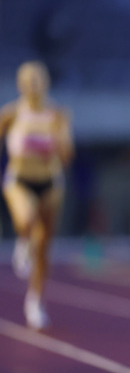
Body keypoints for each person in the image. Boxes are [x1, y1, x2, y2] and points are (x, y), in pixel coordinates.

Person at [0, 61, 74, 330]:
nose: (32, 84)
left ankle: (35, 301)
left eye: (37, 79)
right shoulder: (10, 113)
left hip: (50, 182)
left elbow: (67, 156)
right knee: (26, 219)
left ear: (45, 83)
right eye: (27, 80)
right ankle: (22, 241)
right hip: (19, 179)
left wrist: (57, 140)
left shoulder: (57, 114)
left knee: (44, 247)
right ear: (20, 84)